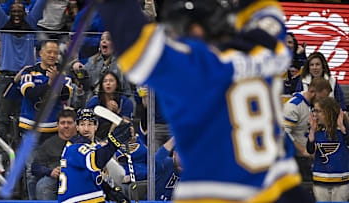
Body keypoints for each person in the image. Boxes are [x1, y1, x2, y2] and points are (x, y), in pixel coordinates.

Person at [96, 0, 314, 202]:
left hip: (215, 193)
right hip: (278, 189)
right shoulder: (266, 52)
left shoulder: (194, 67)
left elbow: (134, 40)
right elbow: (266, 10)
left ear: (196, 29)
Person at [0, 0, 47, 140]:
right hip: (6, 78)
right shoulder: (3, 22)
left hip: (27, 78)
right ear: (9, 13)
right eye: (13, 11)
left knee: (24, 118)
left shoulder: (31, 22)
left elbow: (40, 3)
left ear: (25, 13)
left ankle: (21, 151)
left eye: (19, 11)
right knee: (2, 117)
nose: (16, 14)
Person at [58, 108, 130, 203]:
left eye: (90, 124)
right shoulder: (75, 146)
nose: (86, 129)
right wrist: (114, 142)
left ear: (96, 126)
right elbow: (96, 161)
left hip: (89, 198)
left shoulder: (94, 147)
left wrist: (110, 192)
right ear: (77, 127)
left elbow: (93, 174)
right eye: (82, 124)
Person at [283, 77, 332, 196]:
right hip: (298, 159)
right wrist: (303, 150)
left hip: (313, 157)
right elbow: (284, 133)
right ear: (312, 92)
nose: (323, 101)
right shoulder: (294, 106)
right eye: (321, 97)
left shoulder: (312, 105)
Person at [19, 40, 73, 143]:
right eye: (49, 52)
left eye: (56, 53)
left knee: (51, 158)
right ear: (41, 53)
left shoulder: (64, 73)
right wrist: (49, 84)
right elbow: (28, 93)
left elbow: (66, 95)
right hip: (29, 125)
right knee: (29, 159)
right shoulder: (30, 71)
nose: (52, 55)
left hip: (53, 126)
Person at [307, 97, 349, 202]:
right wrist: (311, 132)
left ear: (328, 112)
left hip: (341, 180)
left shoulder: (342, 130)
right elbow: (310, 150)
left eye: (318, 111)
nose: (315, 114)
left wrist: (343, 128)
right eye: (314, 110)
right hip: (320, 179)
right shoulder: (316, 131)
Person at [31, 109, 77, 200]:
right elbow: (35, 167)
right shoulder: (48, 144)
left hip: (79, 177)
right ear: (57, 125)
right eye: (62, 123)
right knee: (43, 186)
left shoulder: (82, 141)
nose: (66, 126)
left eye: (69, 123)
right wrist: (50, 171)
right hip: (56, 178)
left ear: (76, 124)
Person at [86, 70, 133, 140]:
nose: (108, 83)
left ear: (117, 84)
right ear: (101, 85)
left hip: (118, 136)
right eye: (105, 81)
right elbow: (86, 119)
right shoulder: (95, 100)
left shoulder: (125, 101)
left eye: (111, 81)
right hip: (96, 134)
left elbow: (126, 123)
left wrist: (117, 113)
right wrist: (102, 113)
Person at [155, 137, 181, 201]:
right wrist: (177, 136)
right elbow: (157, 158)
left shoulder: (191, 170)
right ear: (174, 154)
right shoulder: (166, 164)